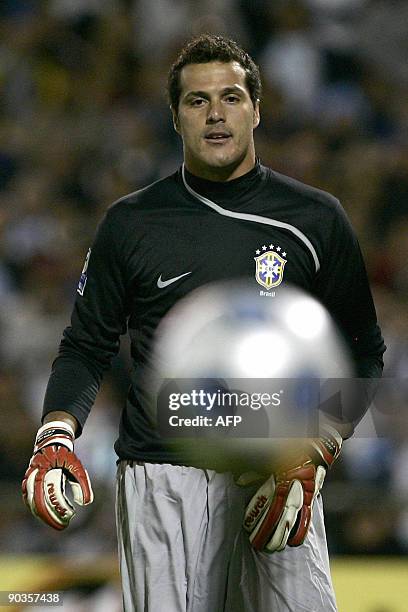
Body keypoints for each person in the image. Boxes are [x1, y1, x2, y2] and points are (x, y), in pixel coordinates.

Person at [22, 34, 385, 611]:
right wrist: (56, 433)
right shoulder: (131, 222)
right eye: (197, 101)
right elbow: (85, 348)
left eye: (232, 97)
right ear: (175, 117)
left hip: (275, 470)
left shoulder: (316, 219)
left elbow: (365, 354)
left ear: (257, 110)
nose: (216, 113)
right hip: (165, 476)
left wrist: (318, 445)